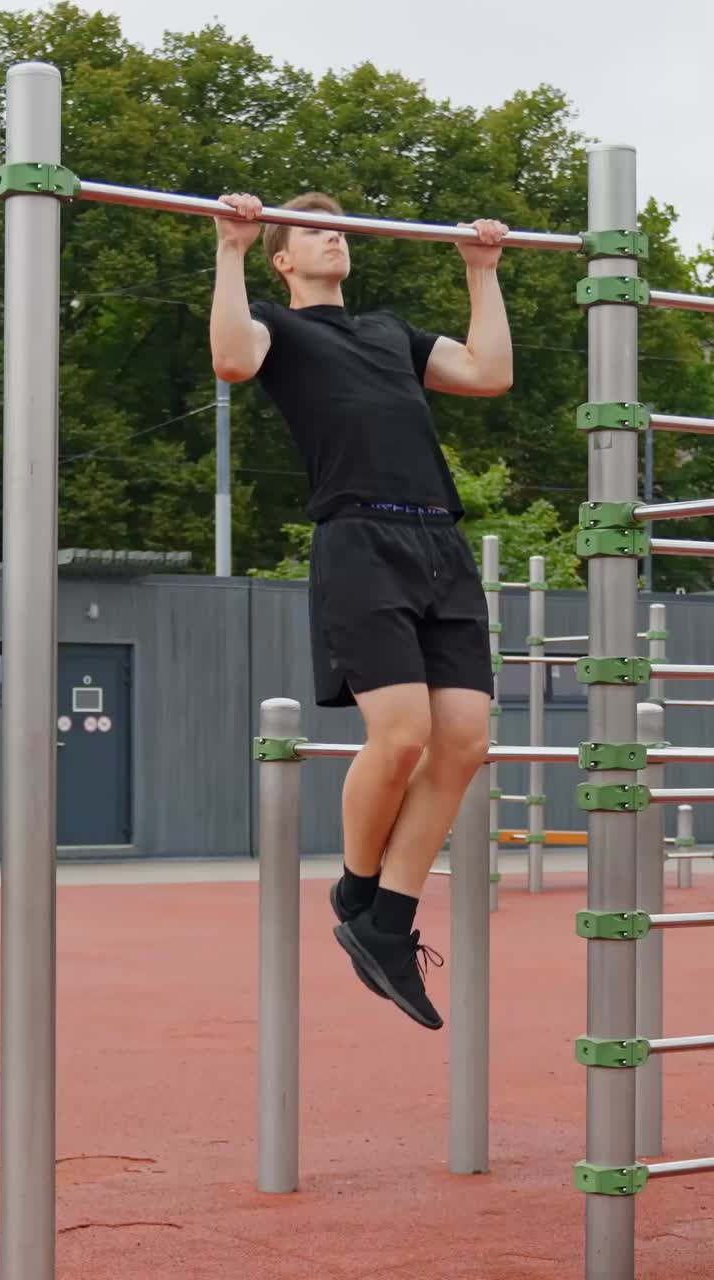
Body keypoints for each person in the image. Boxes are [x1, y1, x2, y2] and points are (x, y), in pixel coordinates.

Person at [210, 190, 512, 1031]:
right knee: (404, 733)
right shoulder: (279, 325)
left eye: (339, 227)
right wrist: (230, 249)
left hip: (440, 543)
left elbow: (489, 373)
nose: (333, 235)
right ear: (284, 259)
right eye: (312, 230)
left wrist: (480, 271)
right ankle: (353, 883)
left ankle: (385, 922)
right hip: (359, 540)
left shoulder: (388, 333)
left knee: (464, 741)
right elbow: (232, 360)